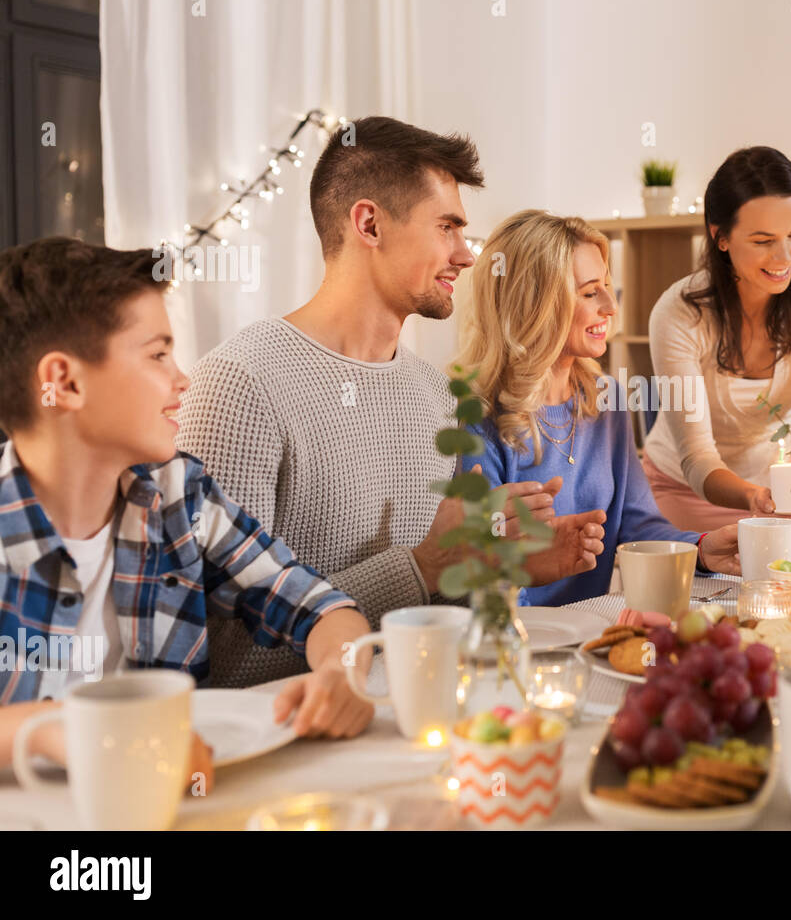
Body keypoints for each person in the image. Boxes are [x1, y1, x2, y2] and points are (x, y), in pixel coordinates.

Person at [177, 117, 601, 685]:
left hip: (419, 726)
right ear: (369, 223)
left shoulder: (438, 395)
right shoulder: (241, 383)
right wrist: (420, 568)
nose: (467, 254)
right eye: (446, 227)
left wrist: (506, 572)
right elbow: (222, 656)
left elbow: (440, 615)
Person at [0, 239, 374, 781]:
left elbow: (315, 604)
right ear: (65, 383)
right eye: (157, 354)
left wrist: (343, 675)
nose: (183, 379)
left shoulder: (177, 495)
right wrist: (64, 732)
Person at [456, 210, 741, 607]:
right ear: (535, 302)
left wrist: (703, 549)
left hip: (588, 632)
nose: (610, 306)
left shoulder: (607, 399)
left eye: (608, 286)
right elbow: (470, 575)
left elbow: (636, 523)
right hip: (514, 642)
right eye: (590, 292)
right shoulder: (475, 418)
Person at [641, 146, 791, 532]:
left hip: (775, 498)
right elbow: (698, 459)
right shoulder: (679, 314)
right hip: (681, 491)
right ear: (721, 237)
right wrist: (752, 497)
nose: (785, 256)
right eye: (764, 241)